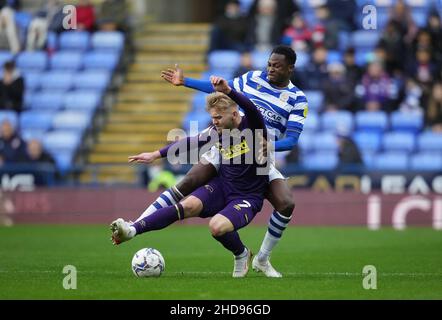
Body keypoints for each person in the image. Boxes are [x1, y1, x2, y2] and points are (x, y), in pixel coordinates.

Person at [134, 45, 307, 278]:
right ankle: (137, 224)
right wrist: (185, 82)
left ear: (290, 68)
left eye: (276, 66)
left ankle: (263, 259)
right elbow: (221, 90)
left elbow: (293, 140)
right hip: (226, 143)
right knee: (190, 180)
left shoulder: (298, 99)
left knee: (286, 203)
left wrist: (270, 145)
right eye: (269, 64)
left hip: (258, 157)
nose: (270, 69)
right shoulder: (252, 78)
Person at [111, 76, 269, 278]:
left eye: (218, 117)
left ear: (235, 114)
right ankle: (133, 230)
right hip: (222, 187)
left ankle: (241, 254)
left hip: (247, 196)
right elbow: (190, 142)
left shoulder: (252, 125)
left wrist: (229, 90)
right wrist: (155, 154)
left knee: (216, 227)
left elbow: (252, 107)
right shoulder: (217, 130)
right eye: (212, 118)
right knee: (187, 206)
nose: (214, 122)